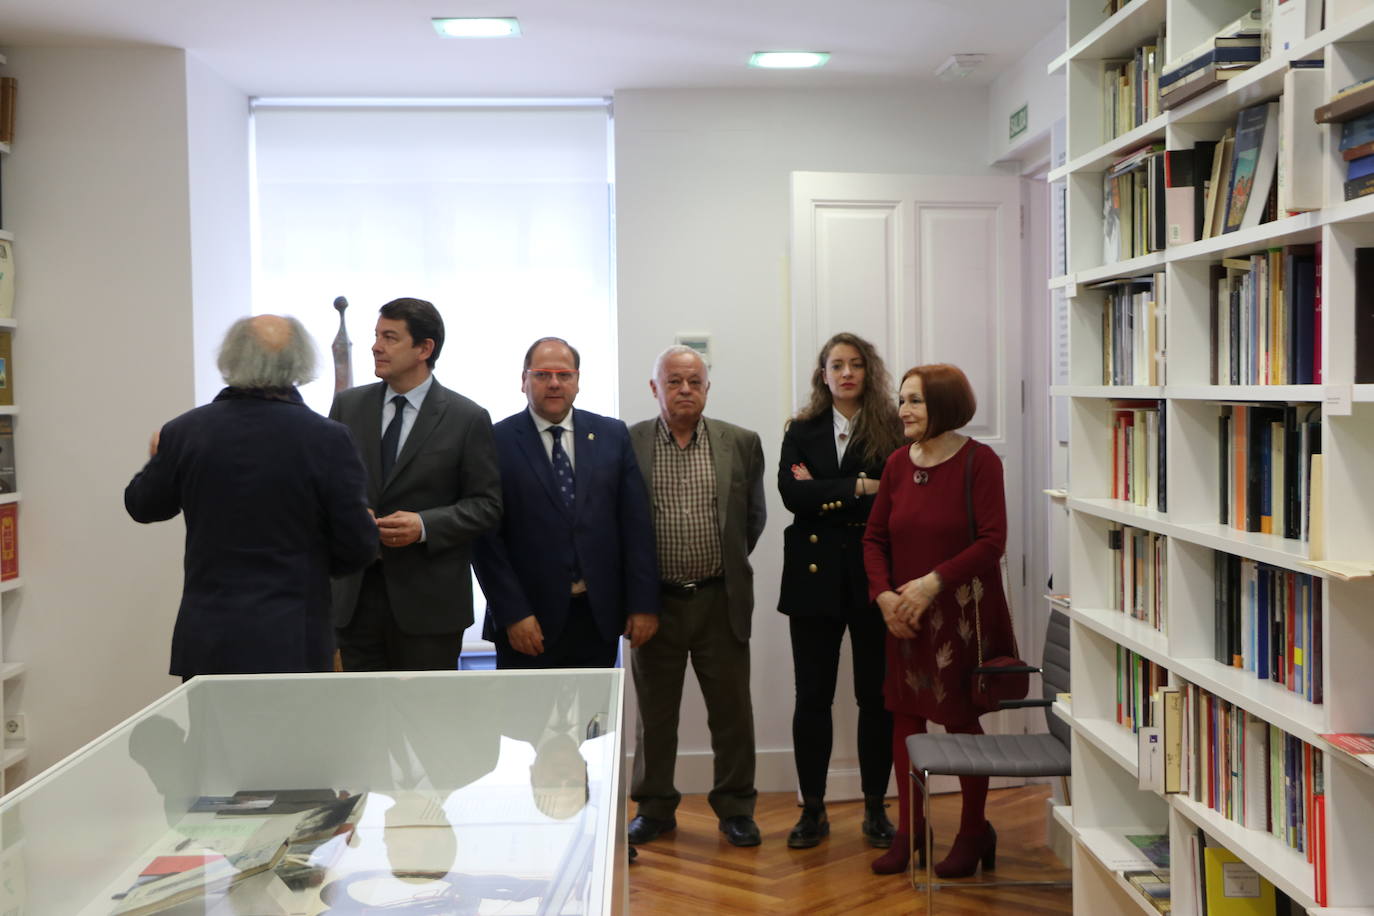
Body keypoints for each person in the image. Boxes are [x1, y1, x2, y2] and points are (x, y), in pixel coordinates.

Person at [124, 315, 378, 679]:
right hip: (294, 639)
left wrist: (156, 459)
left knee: (214, 737)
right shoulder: (328, 439)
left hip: (210, 640)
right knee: (295, 738)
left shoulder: (185, 431)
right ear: (299, 364)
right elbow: (358, 547)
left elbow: (142, 506)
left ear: (231, 359)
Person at [861, 362, 1014, 877]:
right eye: (902, 400)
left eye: (915, 401)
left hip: (959, 614)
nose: (902, 409)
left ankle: (973, 832)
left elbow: (992, 542)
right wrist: (884, 597)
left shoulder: (979, 462)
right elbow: (874, 538)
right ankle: (910, 831)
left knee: (959, 720)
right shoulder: (898, 464)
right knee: (905, 719)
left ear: (944, 405)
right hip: (905, 615)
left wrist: (931, 584)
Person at [626, 346, 767, 848]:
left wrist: (718, 569)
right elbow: (618, 526)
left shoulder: (742, 443)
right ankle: (656, 807)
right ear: (655, 388)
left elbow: (752, 520)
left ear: (707, 387)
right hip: (653, 604)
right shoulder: (630, 443)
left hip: (719, 600)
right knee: (655, 715)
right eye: (674, 381)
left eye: (695, 381)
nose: (685, 390)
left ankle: (735, 808)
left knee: (732, 713)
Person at [776, 333, 904, 850]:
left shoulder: (893, 428)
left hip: (875, 577)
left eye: (855, 365)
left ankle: (876, 807)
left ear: (868, 373)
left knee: (876, 698)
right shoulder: (801, 429)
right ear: (822, 375)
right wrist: (860, 486)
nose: (847, 373)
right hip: (813, 580)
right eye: (836, 365)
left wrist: (824, 491)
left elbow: (894, 499)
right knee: (812, 699)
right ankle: (813, 810)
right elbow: (791, 494)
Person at [329, 297, 502, 671]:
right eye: (376, 336)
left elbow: (487, 505)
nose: (376, 346)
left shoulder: (467, 417)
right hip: (355, 599)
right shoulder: (348, 407)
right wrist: (352, 514)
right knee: (362, 723)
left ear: (425, 348)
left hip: (430, 606)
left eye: (390, 337)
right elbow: (329, 490)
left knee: (426, 723)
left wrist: (424, 525)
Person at [472, 336, 659, 669]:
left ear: (577, 381)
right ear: (523, 381)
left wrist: (642, 603)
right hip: (527, 622)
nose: (554, 383)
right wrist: (514, 613)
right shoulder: (495, 440)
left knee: (595, 719)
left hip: (597, 616)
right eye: (542, 375)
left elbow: (635, 525)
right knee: (526, 719)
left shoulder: (612, 435)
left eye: (564, 375)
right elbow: (486, 540)